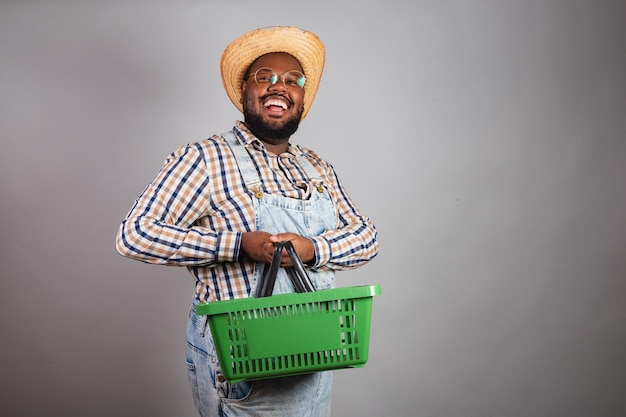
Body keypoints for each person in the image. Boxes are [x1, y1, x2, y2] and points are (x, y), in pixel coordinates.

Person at [116, 26, 378, 417]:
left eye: (293, 80)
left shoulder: (317, 166)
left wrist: (311, 249)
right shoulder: (205, 159)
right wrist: (238, 245)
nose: (279, 87)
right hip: (244, 358)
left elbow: (366, 238)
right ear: (243, 89)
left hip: (313, 353)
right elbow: (135, 235)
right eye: (265, 77)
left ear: (302, 97)